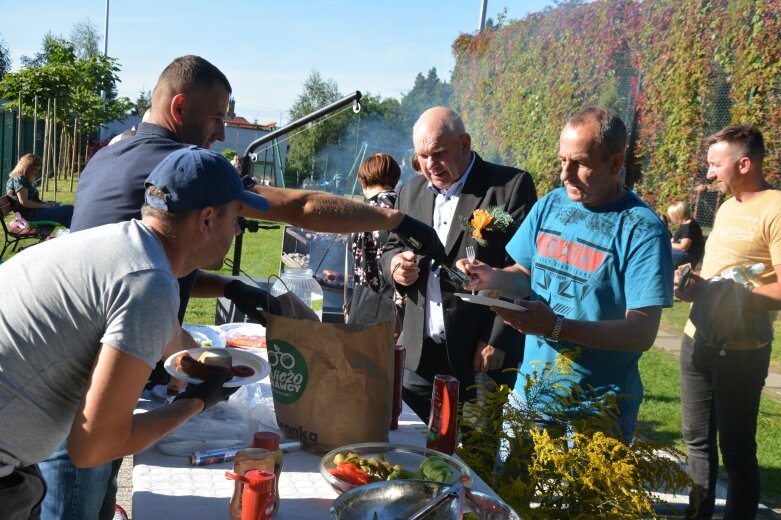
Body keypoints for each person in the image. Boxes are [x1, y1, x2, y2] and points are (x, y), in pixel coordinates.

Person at [54, 55, 442, 520]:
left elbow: (148, 266)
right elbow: (299, 206)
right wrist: (394, 218)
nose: (221, 133)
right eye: (217, 117)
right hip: (81, 384)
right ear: (180, 108)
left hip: (85, 368)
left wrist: (227, 287)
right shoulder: (173, 166)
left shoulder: (112, 155)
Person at [0, 146, 269, 519]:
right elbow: (93, 446)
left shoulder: (124, 244)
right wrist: (196, 403)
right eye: (236, 217)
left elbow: (171, 340)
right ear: (207, 219)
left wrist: (217, 366)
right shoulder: (148, 283)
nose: (238, 229)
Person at [460, 106, 673, 443]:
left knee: (579, 497)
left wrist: (555, 327)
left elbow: (642, 332)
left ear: (615, 163)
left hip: (598, 412)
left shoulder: (641, 229)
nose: (565, 174)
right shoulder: (550, 205)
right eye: (562, 160)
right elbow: (525, 274)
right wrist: (493, 277)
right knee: (504, 495)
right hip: (530, 395)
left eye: (581, 163)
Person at [380, 106, 537, 422]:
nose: (429, 165)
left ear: (465, 143)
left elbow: (523, 270)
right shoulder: (409, 193)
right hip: (419, 356)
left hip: (479, 353)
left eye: (438, 153)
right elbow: (390, 249)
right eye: (422, 156)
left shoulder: (509, 186)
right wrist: (396, 266)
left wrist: (497, 339)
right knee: (412, 450)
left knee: (476, 460)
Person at [675, 124, 781, 520]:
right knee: (697, 445)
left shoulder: (775, 208)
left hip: (741, 353)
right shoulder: (727, 206)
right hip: (695, 341)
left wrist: (737, 298)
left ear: (745, 163)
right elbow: (721, 274)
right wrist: (693, 284)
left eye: (716, 165)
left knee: (737, 453)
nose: (709, 174)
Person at [351, 153, 400, 294]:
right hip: (396, 294)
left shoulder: (359, 209)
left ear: (363, 181)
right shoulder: (403, 203)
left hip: (365, 297)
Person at [5, 153, 74, 228]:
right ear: (27, 168)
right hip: (31, 217)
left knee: (66, 217)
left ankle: (76, 234)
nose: (36, 172)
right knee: (70, 208)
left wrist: (46, 204)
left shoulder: (18, 179)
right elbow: (24, 202)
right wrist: (45, 206)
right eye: (34, 169)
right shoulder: (20, 180)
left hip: (32, 214)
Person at [668, 200, 705, 268]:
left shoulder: (688, 227)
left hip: (688, 257)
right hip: (685, 255)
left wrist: (668, 243)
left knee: (661, 257)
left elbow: (683, 247)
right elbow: (676, 239)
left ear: (677, 216)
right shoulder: (686, 225)